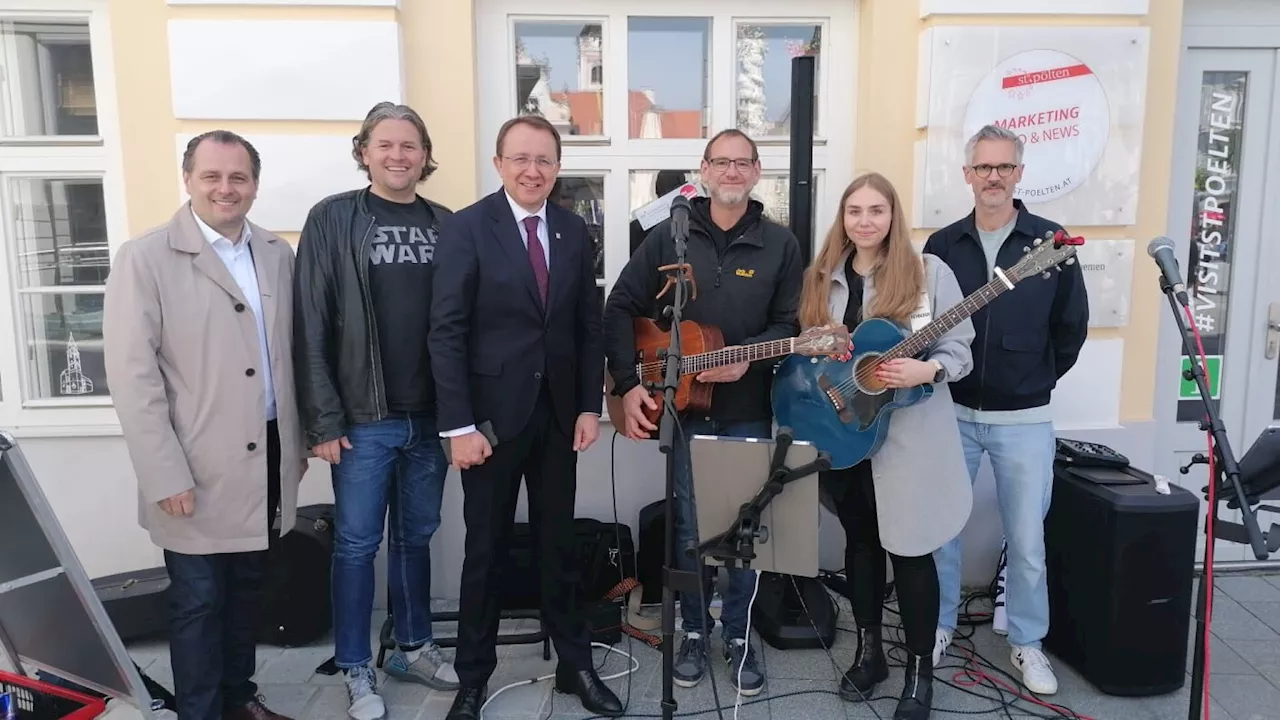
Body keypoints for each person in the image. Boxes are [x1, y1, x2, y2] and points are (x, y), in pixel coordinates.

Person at [103, 130, 307, 720]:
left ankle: (240, 698)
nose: (226, 188)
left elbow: (287, 354)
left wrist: (295, 443)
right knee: (198, 601)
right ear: (188, 180)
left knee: (247, 592)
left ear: (255, 185)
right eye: (212, 176)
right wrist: (163, 472)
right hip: (192, 463)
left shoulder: (275, 252)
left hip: (266, 454)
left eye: (238, 177)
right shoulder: (146, 258)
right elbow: (133, 378)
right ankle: (201, 711)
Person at [429, 115, 622, 720]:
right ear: (499, 164)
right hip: (487, 424)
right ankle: (472, 679)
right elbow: (447, 331)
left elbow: (586, 329)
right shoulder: (466, 229)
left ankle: (575, 665)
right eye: (520, 159)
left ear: (558, 167)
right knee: (484, 551)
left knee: (557, 545)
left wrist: (590, 406)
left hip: (558, 420)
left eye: (544, 160)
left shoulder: (572, 230)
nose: (532, 170)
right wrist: (457, 426)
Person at [604, 129, 804, 697]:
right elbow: (620, 306)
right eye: (723, 162)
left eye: (744, 163)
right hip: (684, 412)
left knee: (744, 529)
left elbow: (790, 327)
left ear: (758, 170)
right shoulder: (669, 236)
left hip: (745, 409)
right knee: (691, 529)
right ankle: (694, 631)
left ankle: (738, 635)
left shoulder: (780, 245)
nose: (733, 172)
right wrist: (626, 383)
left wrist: (749, 364)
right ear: (704, 169)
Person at [293, 102, 458, 720]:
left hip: (431, 415)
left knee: (416, 538)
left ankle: (412, 646)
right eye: (385, 144)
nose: (398, 155)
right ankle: (355, 664)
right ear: (364, 150)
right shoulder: (333, 218)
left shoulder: (446, 222)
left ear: (424, 154)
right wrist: (324, 420)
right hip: (364, 418)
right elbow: (309, 323)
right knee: (357, 545)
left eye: (409, 145)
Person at [797, 172, 974, 719]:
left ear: (893, 216)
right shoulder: (823, 276)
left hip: (910, 440)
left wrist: (928, 367)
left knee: (913, 552)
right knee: (862, 547)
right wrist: (815, 352)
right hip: (847, 434)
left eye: (876, 210)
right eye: (855, 211)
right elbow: (808, 349)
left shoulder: (929, 273)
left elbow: (959, 350)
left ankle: (920, 674)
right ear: (843, 218)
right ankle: (869, 653)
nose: (865, 221)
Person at [926, 125, 1089, 695]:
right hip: (950, 412)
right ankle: (938, 625)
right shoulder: (942, 246)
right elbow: (927, 328)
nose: (992, 177)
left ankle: (1026, 642)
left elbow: (1071, 329)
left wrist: (1033, 378)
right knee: (942, 529)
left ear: (1019, 173)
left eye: (1003, 167)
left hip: (1024, 418)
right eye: (982, 168)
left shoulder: (1052, 242)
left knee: (1026, 538)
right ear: (967, 175)